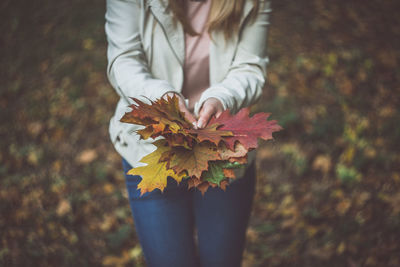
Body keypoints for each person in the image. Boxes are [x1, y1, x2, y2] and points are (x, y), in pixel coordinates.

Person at [105, 0, 271, 266]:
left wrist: (220, 98)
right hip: (153, 150)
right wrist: (163, 100)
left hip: (222, 147)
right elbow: (122, 60)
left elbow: (250, 68)